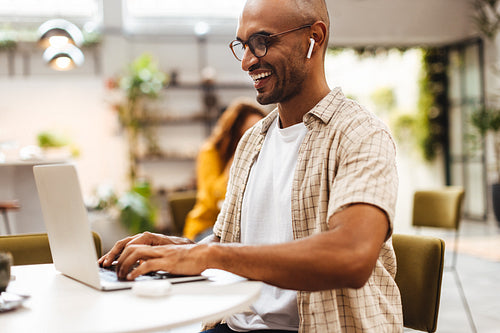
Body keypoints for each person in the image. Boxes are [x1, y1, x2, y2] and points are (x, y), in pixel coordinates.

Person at [99, 0, 403, 331]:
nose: (246, 62)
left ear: (314, 37)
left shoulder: (360, 133)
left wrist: (210, 257)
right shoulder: (253, 141)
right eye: (243, 45)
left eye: (261, 42)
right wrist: (181, 249)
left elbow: (352, 256)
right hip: (233, 322)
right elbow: (230, 242)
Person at [183, 99, 266, 241]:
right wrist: (237, 158)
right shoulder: (210, 151)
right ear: (234, 134)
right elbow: (212, 199)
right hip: (206, 227)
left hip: (243, 226)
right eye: (248, 134)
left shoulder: (263, 155)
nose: (256, 140)